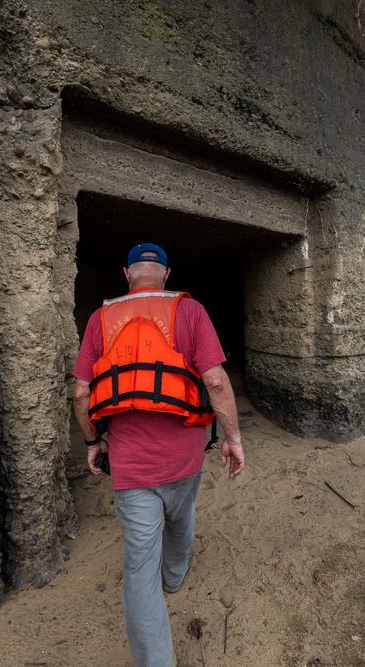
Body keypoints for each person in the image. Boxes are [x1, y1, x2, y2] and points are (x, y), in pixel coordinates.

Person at [72, 242, 245, 667]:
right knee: (183, 517)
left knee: (137, 569)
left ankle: (157, 661)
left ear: (127, 273)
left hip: (131, 469)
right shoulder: (190, 311)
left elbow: (80, 392)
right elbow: (216, 382)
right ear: (166, 275)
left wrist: (95, 441)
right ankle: (174, 577)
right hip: (184, 459)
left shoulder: (100, 318)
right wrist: (233, 437)